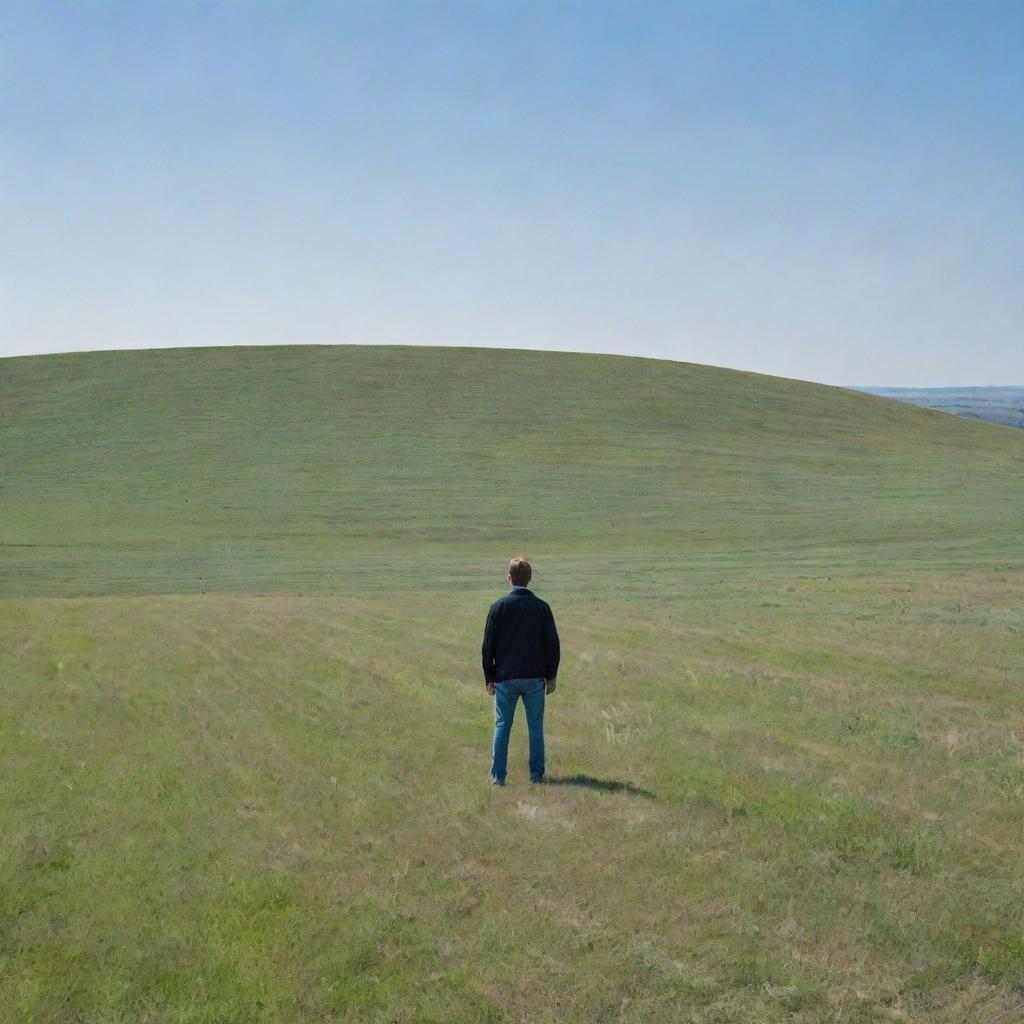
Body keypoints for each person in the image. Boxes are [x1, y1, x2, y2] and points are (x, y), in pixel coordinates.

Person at [481, 557, 560, 786]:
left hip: (505, 678)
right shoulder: (542, 607)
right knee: (535, 726)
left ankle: (498, 776)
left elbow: (488, 647)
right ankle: (536, 775)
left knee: (502, 725)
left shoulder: (498, 608)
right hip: (535, 677)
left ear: (509, 578)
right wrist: (551, 675)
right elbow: (552, 645)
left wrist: (489, 677)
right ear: (530, 579)